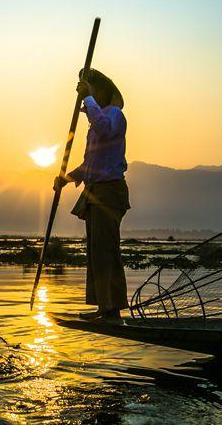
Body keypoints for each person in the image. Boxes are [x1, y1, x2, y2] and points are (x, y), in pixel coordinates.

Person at [54, 69, 130, 322]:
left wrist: (87, 98)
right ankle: (103, 307)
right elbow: (90, 165)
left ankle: (112, 310)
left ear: (102, 93)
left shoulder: (114, 116)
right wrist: (67, 179)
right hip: (95, 192)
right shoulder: (95, 124)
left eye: (94, 92)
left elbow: (105, 128)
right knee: (96, 251)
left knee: (107, 250)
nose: (90, 98)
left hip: (110, 191)